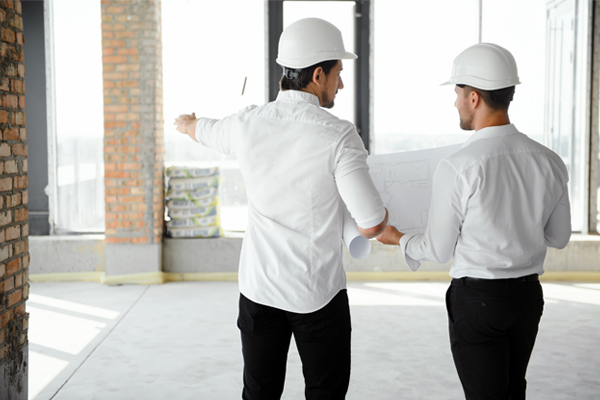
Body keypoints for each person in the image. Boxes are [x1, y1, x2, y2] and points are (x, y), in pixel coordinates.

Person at [174, 18, 388, 400]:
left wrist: (188, 123)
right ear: (318, 75)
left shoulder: (247, 123)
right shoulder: (338, 135)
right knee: (325, 392)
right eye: (339, 73)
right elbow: (371, 224)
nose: (342, 83)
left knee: (259, 392)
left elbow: (204, 129)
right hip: (317, 295)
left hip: (259, 291)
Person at [376, 43, 571, 400]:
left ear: (475, 97)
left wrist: (398, 238)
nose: (455, 102)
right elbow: (558, 238)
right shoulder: (550, 161)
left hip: (478, 299)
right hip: (528, 298)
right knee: (513, 390)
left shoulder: (459, 165)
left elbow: (436, 249)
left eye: (457, 93)